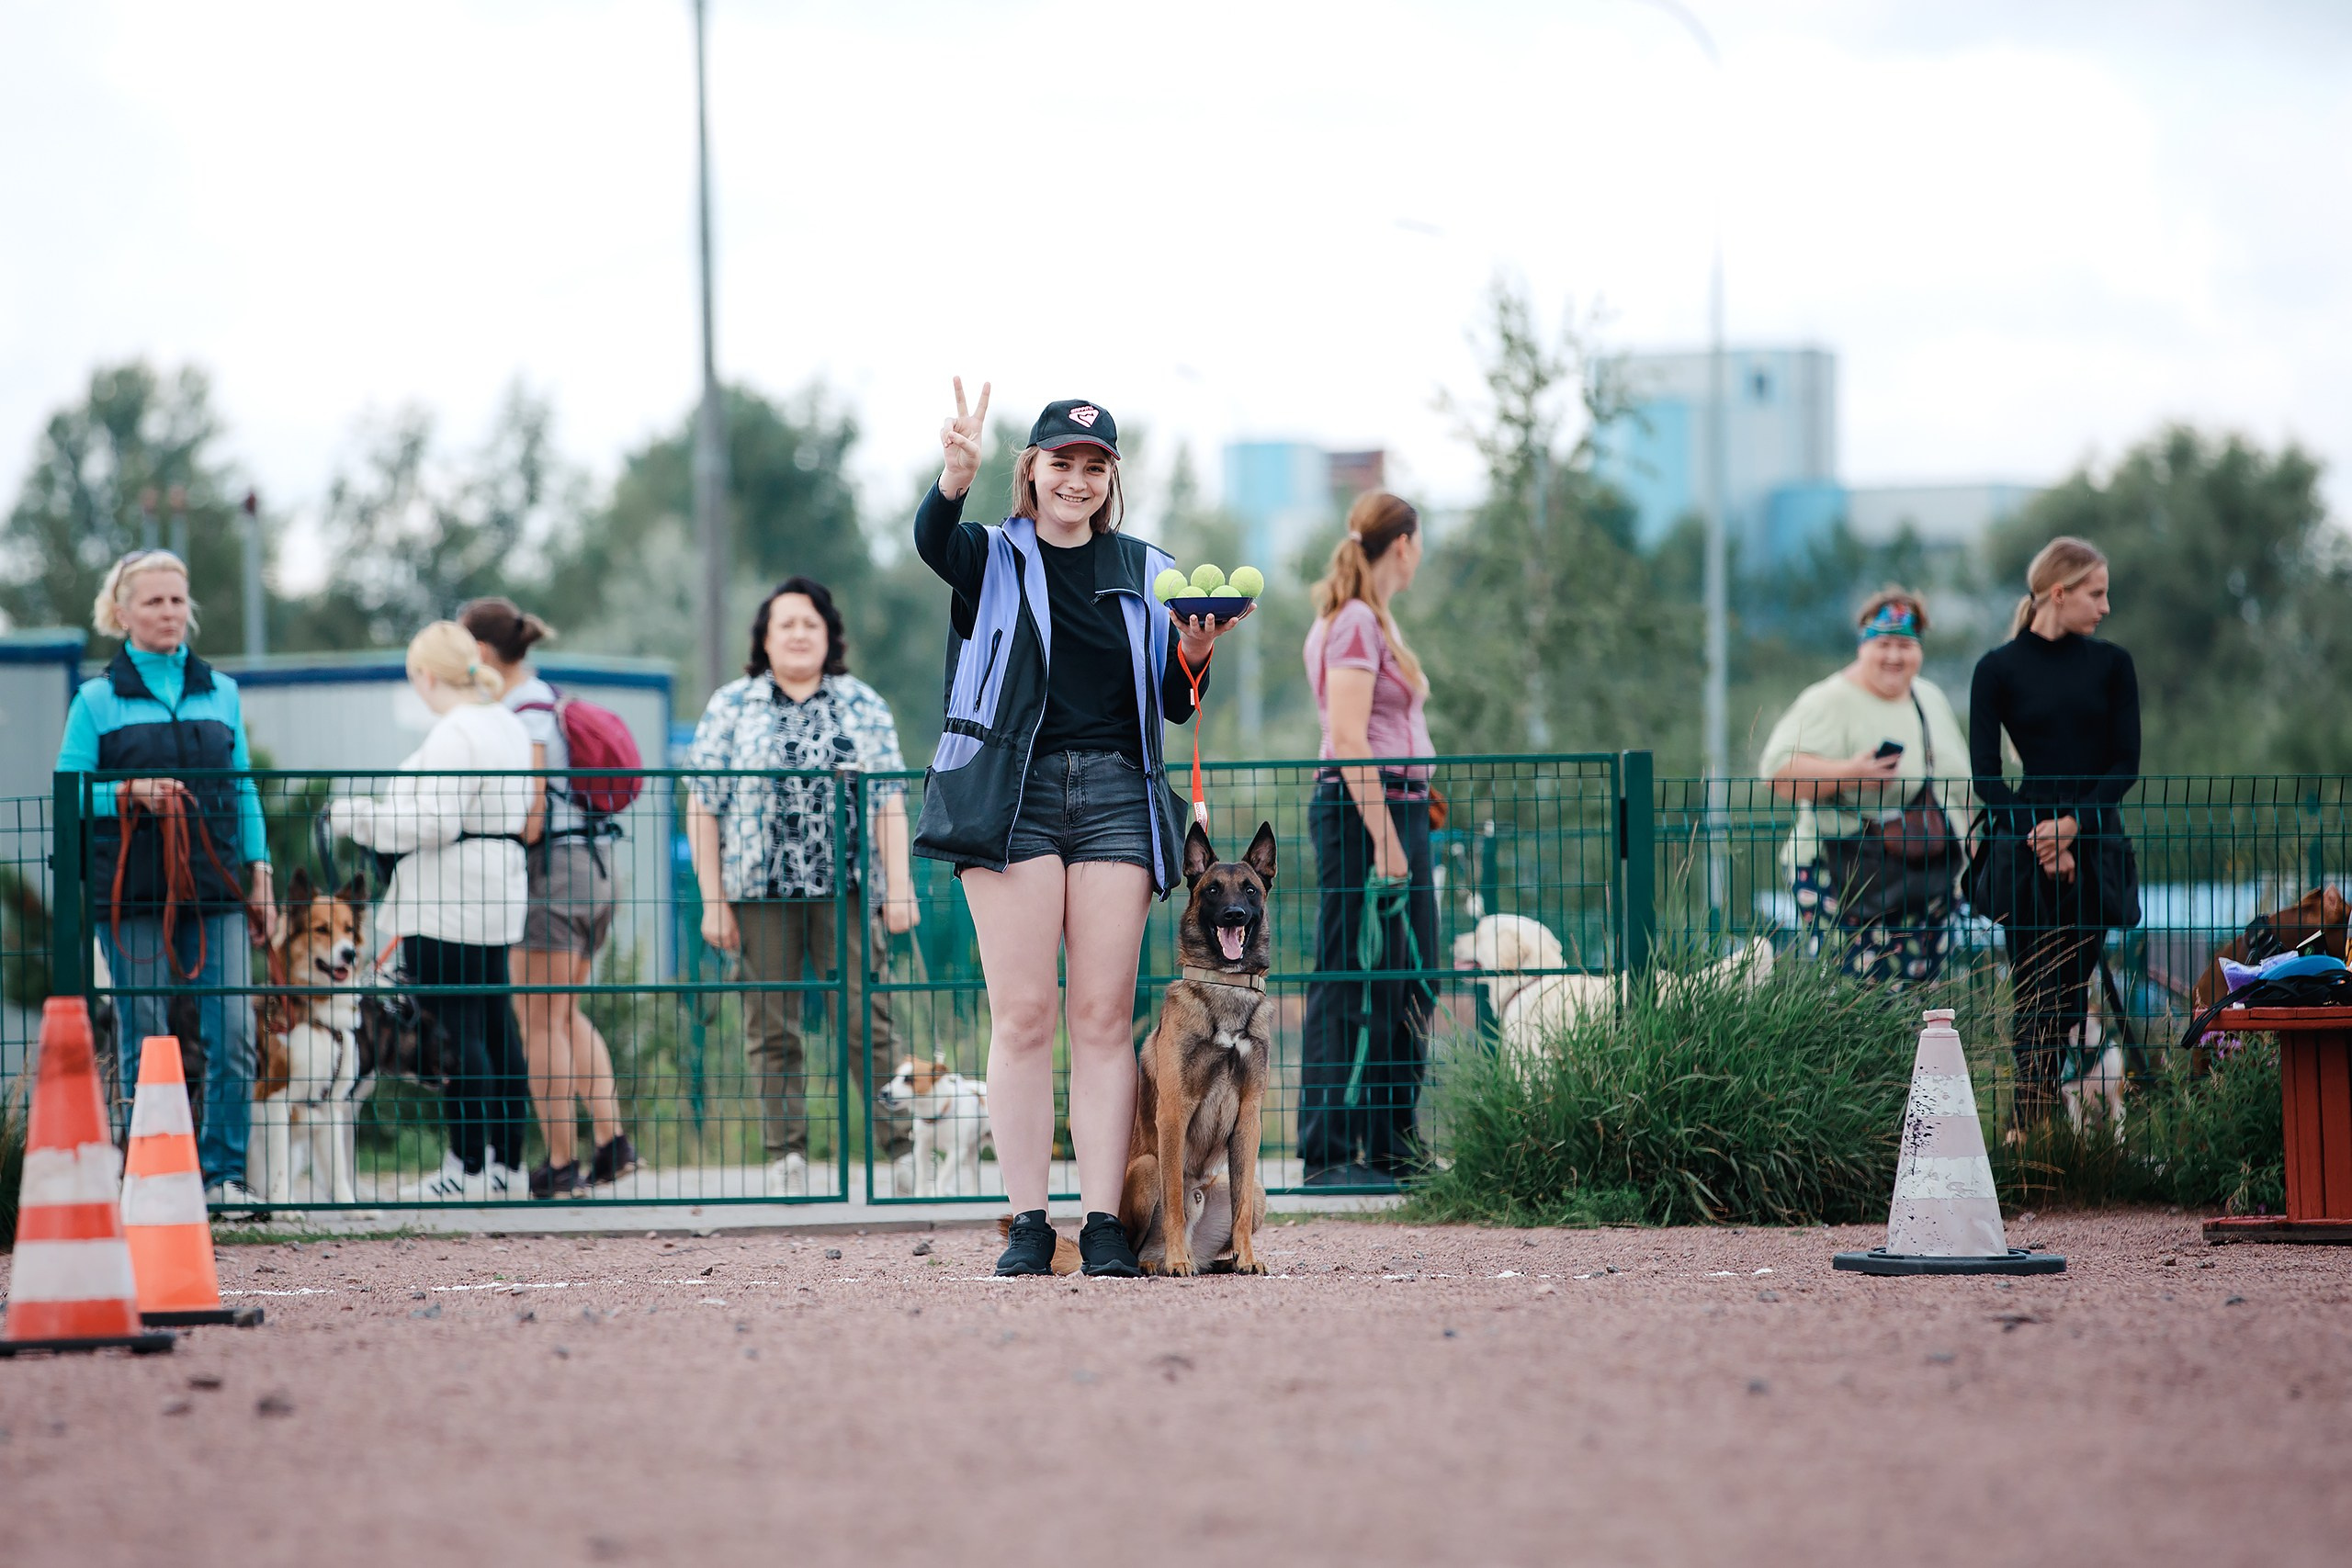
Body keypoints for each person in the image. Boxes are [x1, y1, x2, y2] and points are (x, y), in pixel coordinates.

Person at [916, 381, 1248, 1277]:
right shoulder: (988, 553)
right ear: (1030, 470)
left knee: (1102, 1017)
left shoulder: (1150, 569)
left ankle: (1102, 1222)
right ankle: (1029, 1220)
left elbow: (1177, 703)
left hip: (1114, 795)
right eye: (1062, 462)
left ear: (1110, 478)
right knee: (1024, 1015)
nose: (1077, 480)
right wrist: (952, 479)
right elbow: (930, 543)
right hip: (1007, 794)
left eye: (1094, 467)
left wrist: (1196, 653)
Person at [685, 577, 920, 1199]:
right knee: (771, 1026)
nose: (797, 633)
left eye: (810, 623)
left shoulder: (860, 702)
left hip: (847, 887)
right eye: (784, 623)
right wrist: (712, 898)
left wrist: (900, 886)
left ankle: (900, 1149)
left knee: (867, 1017)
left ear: (829, 636)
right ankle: (786, 1152)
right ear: (764, 637)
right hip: (757, 891)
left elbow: (889, 798)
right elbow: (703, 806)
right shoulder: (731, 704)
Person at [57, 548, 276, 1206]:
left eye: (178, 600)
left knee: (234, 1032)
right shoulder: (95, 700)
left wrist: (259, 872)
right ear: (121, 613)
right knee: (145, 1034)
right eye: (154, 601)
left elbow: (243, 792)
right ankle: (151, 1176)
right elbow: (69, 793)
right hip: (131, 896)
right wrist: (128, 791)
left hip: (217, 890)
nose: (169, 612)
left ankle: (224, 1176)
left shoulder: (222, 691)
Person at [331, 622, 535, 1199]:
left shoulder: (454, 732)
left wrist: (358, 818)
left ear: (424, 675)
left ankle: (464, 1168)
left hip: (447, 899)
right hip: (497, 891)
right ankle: (506, 1165)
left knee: (456, 1029)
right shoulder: (506, 723)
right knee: (497, 1026)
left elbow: (437, 821)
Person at [459, 597, 636, 1200]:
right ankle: (612, 1145)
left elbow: (532, 814)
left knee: (537, 1018)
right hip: (595, 865)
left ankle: (560, 1160)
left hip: (554, 873)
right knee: (563, 1012)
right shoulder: (547, 695)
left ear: (482, 653)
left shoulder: (521, 712)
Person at [1969, 537, 2140, 1132]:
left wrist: (2071, 829)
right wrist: (2040, 837)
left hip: (2091, 840)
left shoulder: (2113, 665)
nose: (2106, 606)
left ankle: (2028, 1123)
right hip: (2026, 842)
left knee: (2069, 987)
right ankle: (2029, 1121)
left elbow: (2125, 767)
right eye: (2097, 593)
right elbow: (1987, 780)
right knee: (2033, 985)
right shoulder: (1996, 669)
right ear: (2059, 593)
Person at [1298, 493, 1441, 1189]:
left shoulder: (1362, 617)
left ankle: (1390, 1145)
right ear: (1403, 545)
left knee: (1400, 979)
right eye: (1420, 543)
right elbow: (1349, 738)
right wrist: (1387, 839)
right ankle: (1330, 1152)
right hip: (1367, 813)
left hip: (1391, 808)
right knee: (1350, 975)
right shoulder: (1355, 622)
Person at [1762, 588, 1973, 984]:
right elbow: (1778, 772)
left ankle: (1911, 1050)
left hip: (1927, 870)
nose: (1894, 656)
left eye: (1905, 645)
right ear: (1863, 645)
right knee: (1853, 994)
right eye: (1884, 643)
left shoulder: (1930, 699)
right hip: (1841, 868)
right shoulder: (1828, 700)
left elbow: (1960, 786)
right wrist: (1848, 772)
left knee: (1918, 996)